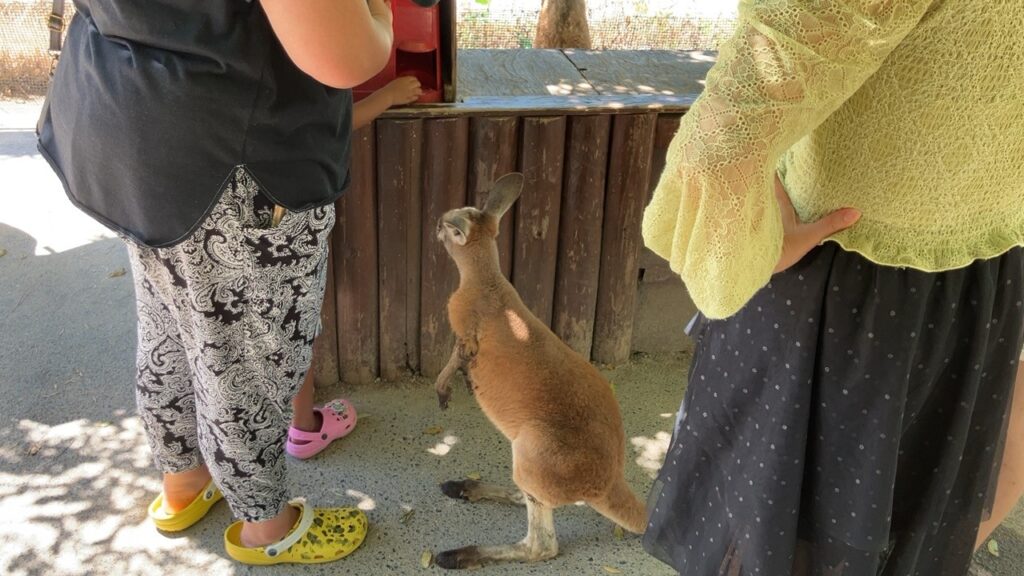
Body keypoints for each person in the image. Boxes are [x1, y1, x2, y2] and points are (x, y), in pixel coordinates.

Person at [641, 0, 1024, 574]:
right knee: (941, 506)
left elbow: (720, 146)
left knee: (779, 539)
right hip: (986, 277)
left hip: (847, 290)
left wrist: (742, 248)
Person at [38, 0, 395, 566]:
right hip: (226, 157)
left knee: (168, 326)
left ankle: (182, 485)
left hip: (124, 127)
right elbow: (344, 55)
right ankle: (266, 527)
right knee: (249, 364)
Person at [287, 75, 423, 460]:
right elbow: (333, 124)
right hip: (293, 209)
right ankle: (304, 429)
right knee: (296, 324)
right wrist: (389, 95)